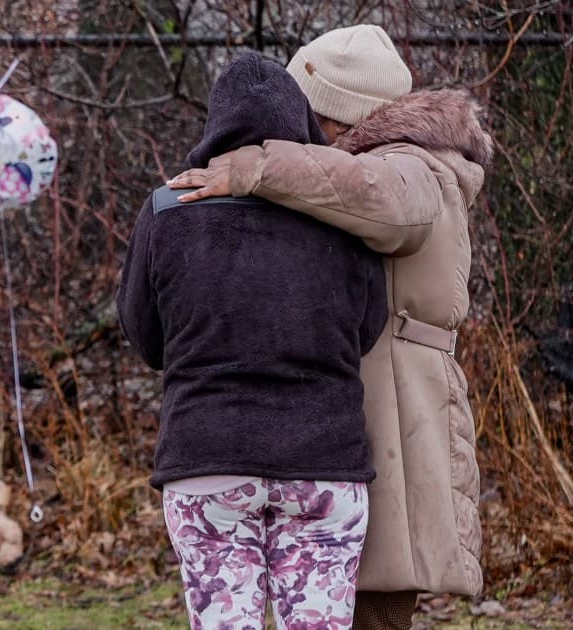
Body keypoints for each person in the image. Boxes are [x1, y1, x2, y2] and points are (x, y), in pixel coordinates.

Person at [166, 25, 493, 630]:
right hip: (359, 403)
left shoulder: (413, 165)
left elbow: (387, 201)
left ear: (338, 115)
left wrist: (257, 166)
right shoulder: (371, 170)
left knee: (379, 600)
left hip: (397, 404)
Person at [117, 52, 387, 629]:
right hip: (323, 462)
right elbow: (367, 328)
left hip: (206, 456)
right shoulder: (340, 214)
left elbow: (143, 331)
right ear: (302, 125)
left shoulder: (166, 209)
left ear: (215, 125)